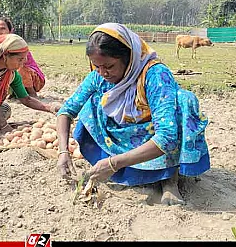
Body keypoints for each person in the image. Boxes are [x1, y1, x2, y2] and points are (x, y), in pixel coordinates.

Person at [55, 23, 210, 206]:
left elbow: (167, 137)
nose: (103, 73)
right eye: (96, 67)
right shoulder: (99, 76)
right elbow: (67, 110)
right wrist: (63, 152)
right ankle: (128, 169)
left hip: (157, 138)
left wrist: (113, 164)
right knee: (91, 105)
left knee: (184, 101)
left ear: (128, 57)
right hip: (127, 135)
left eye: (110, 66)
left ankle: (169, 178)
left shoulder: (155, 75)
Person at [0, 17, 45, 98]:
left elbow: (22, 63)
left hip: (34, 79)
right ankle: (14, 93)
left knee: (20, 68)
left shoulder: (17, 44)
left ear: (10, 31)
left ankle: (32, 93)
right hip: (16, 76)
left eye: (3, 29)